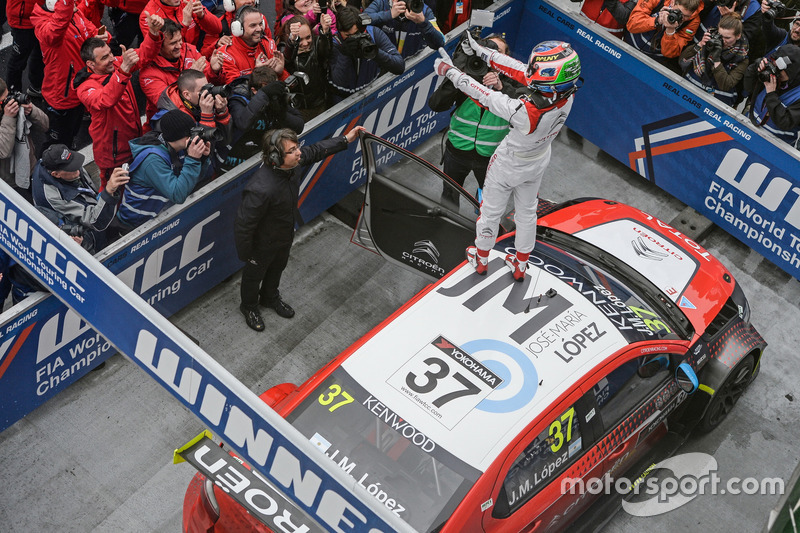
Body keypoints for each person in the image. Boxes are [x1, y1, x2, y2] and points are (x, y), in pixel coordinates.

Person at [434, 37, 581, 281]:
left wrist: (451, 72)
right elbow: (516, 68)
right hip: (538, 159)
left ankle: (481, 259)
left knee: (490, 211)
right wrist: (481, 51)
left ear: (549, 77)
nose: (530, 71)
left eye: (536, 69)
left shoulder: (526, 112)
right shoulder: (566, 93)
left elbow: (484, 95)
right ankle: (521, 263)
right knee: (527, 213)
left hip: (509, 163)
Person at [234, 125, 365, 330]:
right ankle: (249, 306)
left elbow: (315, 150)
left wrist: (346, 139)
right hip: (261, 245)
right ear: (276, 157)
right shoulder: (260, 188)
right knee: (253, 277)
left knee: (278, 268)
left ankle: (269, 297)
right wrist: (247, 254)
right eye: (292, 150)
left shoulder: (291, 165)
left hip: (284, 234)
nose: (299, 153)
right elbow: (244, 225)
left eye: (297, 148)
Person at [75, 12, 164, 190]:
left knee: (134, 183)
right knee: (111, 191)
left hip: (132, 142)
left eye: (110, 53)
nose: (111, 59)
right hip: (112, 155)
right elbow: (105, 100)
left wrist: (153, 34)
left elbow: (145, 54)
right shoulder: (85, 88)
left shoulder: (116, 64)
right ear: (90, 65)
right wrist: (123, 71)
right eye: (104, 58)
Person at [427, 33, 517, 206]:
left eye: (498, 51)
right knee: (449, 197)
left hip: (492, 158)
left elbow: (526, 107)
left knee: (489, 203)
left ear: (507, 58)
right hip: (456, 151)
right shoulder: (468, 75)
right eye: (489, 49)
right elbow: (436, 104)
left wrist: (501, 87)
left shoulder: (513, 82)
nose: (493, 55)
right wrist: (457, 74)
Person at [31, 0, 107, 150]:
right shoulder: (45, 26)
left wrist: (101, 38)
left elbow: (90, 30)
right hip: (61, 98)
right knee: (55, 147)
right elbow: (57, 29)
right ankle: (51, 170)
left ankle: (69, 153)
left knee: (72, 133)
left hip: (79, 88)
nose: (76, 5)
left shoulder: (75, 13)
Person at [117, 109, 212, 229]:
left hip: (159, 216)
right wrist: (193, 160)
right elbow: (178, 195)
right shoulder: (152, 160)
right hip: (135, 225)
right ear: (179, 136)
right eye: (191, 134)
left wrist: (201, 159)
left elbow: (193, 182)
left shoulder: (179, 147)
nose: (194, 138)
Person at [31, 144, 129, 252]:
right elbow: (95, 221)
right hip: (85, 235)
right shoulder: (55, 197)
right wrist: (109, 191)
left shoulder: (47, 162)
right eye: (71, 169)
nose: (78, 169)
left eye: (74, 162)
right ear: (56, 174)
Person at [140, 19, 225, 120]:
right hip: (170, 124)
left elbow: (209, 84)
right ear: (159, 46)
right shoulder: (148, 73)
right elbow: (168, 103)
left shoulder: (189, 50)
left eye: (180, 40)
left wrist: (214, 71)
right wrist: (191, 76)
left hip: (200, 113)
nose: (179, 46)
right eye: (173, 43)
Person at [224, 66, 305, 171]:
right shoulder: (239, 97)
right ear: (254, 90)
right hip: (234, 162)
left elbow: (299, 126)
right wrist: (264, 95)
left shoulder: (274, 98)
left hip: (263, 158)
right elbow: (242, 123)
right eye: (268, 91)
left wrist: (280, 111)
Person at [154, 68, 232, 172]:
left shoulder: (199, 105)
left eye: (208, 87)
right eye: (202, 90)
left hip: (209, 168)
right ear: (187, 95)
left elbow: (224, 140)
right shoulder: (170, 118)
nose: (208, 93)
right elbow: (200, 153)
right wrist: (206, 116)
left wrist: (222, 112)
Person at [328, 5, 404, 104]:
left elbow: (399, 66)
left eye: (357, 33)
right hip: (342, 100)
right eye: (348, 36)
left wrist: (373, 51)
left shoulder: (374, 33)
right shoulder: (334, 43)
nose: (354, 38)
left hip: (372, 93)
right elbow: (340, 81)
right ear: (339, 31)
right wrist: (345, 53)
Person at [679, 13, 749, 106]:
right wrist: (700, 44)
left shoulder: (742, 58)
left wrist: (716, 60)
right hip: (687, 92)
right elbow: (682, 60)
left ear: (738, 36)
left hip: (714, 103)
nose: (722, 40)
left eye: (727, 38)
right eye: (720, 35)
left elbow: (726, 84)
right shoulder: (710, 39)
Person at [0, 79, 49, 197]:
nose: (9, 102)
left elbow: (45, 125)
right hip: (9, 182)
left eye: (9, 96)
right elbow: (3, 151)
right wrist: (8, 118)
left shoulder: (14, 105)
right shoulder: (9, 114)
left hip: (30, 166)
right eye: (3, 101)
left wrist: (32, 111)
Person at [744, 43, 800, 147]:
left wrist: (771, 94)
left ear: (792, 72)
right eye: (774, 65)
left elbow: (785, 122)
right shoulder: (772, 76)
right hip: (746, 133)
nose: (775, 72)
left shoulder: (797, 95)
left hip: (774, 149)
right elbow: (748, 88)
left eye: (780, 69)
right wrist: (755, 67)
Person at [625, 0, 703, 72]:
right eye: (679, 12)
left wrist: (670, 31)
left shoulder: (693, 21)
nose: (681, 18)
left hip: (653, 61)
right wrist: (657, 21)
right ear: (673, 2)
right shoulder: (659, 1)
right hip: (627, 46)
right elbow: (632, 24)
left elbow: (670, 53)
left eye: (686, 16)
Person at [279, 15, 332, 118]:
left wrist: (325, 32)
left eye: (308, 37)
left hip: (320, 104)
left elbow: (326, 51)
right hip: (298, 109)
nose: (305, 43)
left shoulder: (316, 45)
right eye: (300, 39)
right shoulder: (285, 48)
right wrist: (292, 41)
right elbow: (286, 59)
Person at [220, 5, 287, 83]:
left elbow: (284, 85)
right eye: (253, 25)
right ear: (238, 28)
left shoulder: (268, 44)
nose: (259, 29)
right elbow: (233, 87)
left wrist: (280, 73)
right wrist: (256, 74)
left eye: (260, 24)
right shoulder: (226, 54)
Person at [364, 0, 444, 58]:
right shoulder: (382, 3)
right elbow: (361, 19)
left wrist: (423, 23)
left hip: (412, 63)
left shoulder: (423, 10)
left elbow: (440, 43)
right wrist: (389, 14)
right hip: (386, 64)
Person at [138, 0, 222, 54]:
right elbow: (160, 50)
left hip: (193, 52)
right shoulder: (148, 15)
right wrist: (184, 25)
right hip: (168, 62)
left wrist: (202, 15)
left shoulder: (186, 1)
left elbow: (217, 28)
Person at [5, 0, 46, 96]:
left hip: (40, 15)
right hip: (23, 20)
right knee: (18, 61)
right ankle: (13, 95)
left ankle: (36, 85)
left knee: (39, 53)